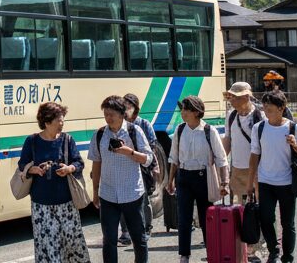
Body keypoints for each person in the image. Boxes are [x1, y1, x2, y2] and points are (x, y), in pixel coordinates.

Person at [18, 102, 91, 263]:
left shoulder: (67, 140)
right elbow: (22, 164)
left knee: (72, 244)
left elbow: (79, 162)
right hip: (41, 206)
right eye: (59, 120)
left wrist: (69, 168)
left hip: (66, 205)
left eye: (63, 120)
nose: (62, 123)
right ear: (47, 122)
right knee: (50, 247)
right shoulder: (32, 141)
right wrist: (33, 169)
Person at [248, 91, 297, 263]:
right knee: (266, 218)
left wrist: (295, 145)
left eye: (270, 109)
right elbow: (254, 155)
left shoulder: (293, 128)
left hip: (286, 182)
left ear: (281, 108)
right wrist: (250, 182)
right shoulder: (259, 128)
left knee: (287, 223)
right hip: (265, 181)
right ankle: (273, 251)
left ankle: (288, 257)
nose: (266, 112)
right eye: (264, 108)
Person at [90, 95, 153, 263]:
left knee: (138, 239)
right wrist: (95, 192)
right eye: (105, 114)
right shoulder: (99, 135)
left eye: (111, 114)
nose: (108, 118)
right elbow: (96, 164)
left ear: (121, 114)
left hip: (132, 193)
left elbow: (148, 159)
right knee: (109, 240)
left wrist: (129, 152)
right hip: (108, 194)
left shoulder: (134, 131)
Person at [165, 96, 228, 263]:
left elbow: (221, 159)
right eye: (182, 109)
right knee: (184, 218)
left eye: (186, 109)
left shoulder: (209, 131)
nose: (182, 112)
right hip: (184, 177)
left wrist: (224, 183)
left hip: (203, 178)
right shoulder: (179, 130)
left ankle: (211, 252)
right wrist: (170, 180)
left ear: (196, 112)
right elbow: (174, 158)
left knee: (207, 217)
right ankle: (184, 254)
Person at [222, 82, 266, 262]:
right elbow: (228, 139)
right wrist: (222, 160)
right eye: (231, 96)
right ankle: (244, 248)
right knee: (240, 209)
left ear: (246, 97)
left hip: (257, 169)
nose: (232, 100)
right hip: (237, 168)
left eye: (236, 97)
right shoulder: (231, 116)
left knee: (259, 209)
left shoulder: (258, 115)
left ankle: (259, 248)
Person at [118, 93, 157, 245]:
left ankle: (146, 228)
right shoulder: (119, 125)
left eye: (128, 107)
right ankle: (125, 232)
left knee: (143, 198)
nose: (126, 110)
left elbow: (152, 145)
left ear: (135, 108)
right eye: (124, 107)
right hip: (124, 166)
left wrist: (152, 165)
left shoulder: (144, 124)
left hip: (142, 166)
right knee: (122, 198)